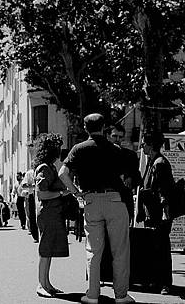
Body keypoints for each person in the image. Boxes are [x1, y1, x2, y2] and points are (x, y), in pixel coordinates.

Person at [58, 113, 134, 304]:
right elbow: (127, 178)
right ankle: (121, 295)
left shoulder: (78, 149)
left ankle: (92, 294)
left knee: (93, 250)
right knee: (120, 251)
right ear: (104, 127)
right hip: (115, 201)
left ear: (85, 128)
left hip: (91, 200)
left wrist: (76, 192)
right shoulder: (115, 149)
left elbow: (63, 173)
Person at [136, 131, 174, 295]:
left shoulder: (159, 163)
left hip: (159, 214)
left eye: (144, 143)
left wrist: (165, 213)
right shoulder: (153, 161)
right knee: (155, 247)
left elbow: (163, 190)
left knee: (162, 248)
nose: (142, 145)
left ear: (151, 144)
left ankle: (165, 283)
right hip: (153, 212)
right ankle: (157, 281)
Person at [33, 133, 70, 297]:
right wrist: (63, 194)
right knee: (45, 249)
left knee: (48, 249)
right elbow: (42, 194)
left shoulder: (49, 166)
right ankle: (41, 284)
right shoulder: (44, 168)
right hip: (47, 212)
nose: (60, 150)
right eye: (58, 148)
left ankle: (47, 284)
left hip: (51, 213)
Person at [107, 124, 141, 221]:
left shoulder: (130, 155)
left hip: (124, 200)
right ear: (108, 136)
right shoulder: (101, 155)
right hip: (106, 199)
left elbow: (137, 178)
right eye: (114, 136)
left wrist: (130, 178)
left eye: (120, 137)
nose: (117, 139)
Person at [22, 169, 39, 242]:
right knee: (32, 216)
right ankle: (35, 236)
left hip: (42, 195)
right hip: (32, 195)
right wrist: (33, 185)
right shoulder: (29, 173)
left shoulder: (44, 170)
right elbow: (23, 185)